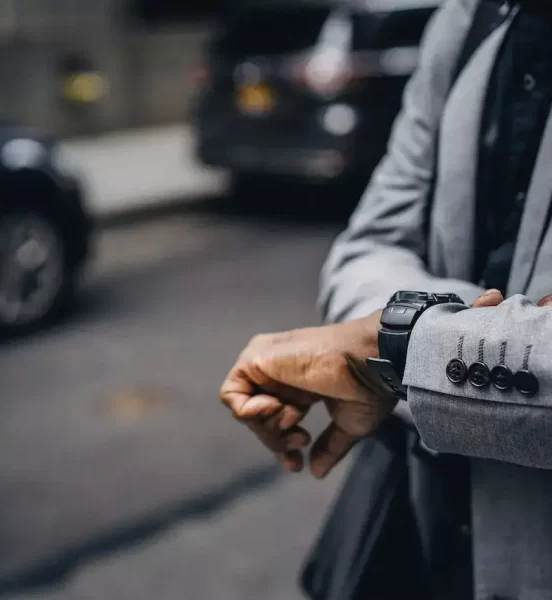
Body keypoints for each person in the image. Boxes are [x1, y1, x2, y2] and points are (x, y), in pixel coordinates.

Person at [222, 0, 552, 597]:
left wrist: (389, 348)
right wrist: (478, 339)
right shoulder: (465, 21)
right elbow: (365, 247)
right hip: (436, 550)